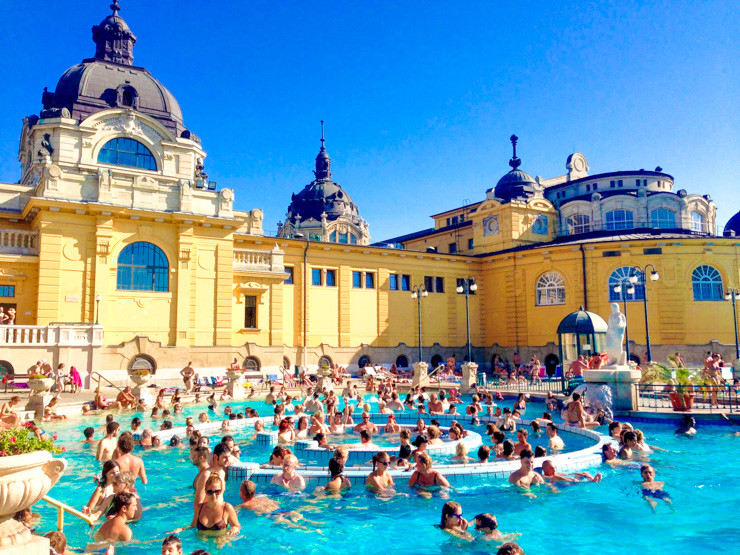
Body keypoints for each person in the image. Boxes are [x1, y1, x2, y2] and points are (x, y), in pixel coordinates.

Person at [174, 475, 241, 536]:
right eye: (210, 492)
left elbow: (237, 526)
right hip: (201, 543)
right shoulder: (199, 508)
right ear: (205, 491)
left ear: (221, 491)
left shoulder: (227, 508)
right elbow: (193, 526)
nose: (213, 495)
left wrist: (234, 529)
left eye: (217, 491)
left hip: (219, 543)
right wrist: (181, 529)